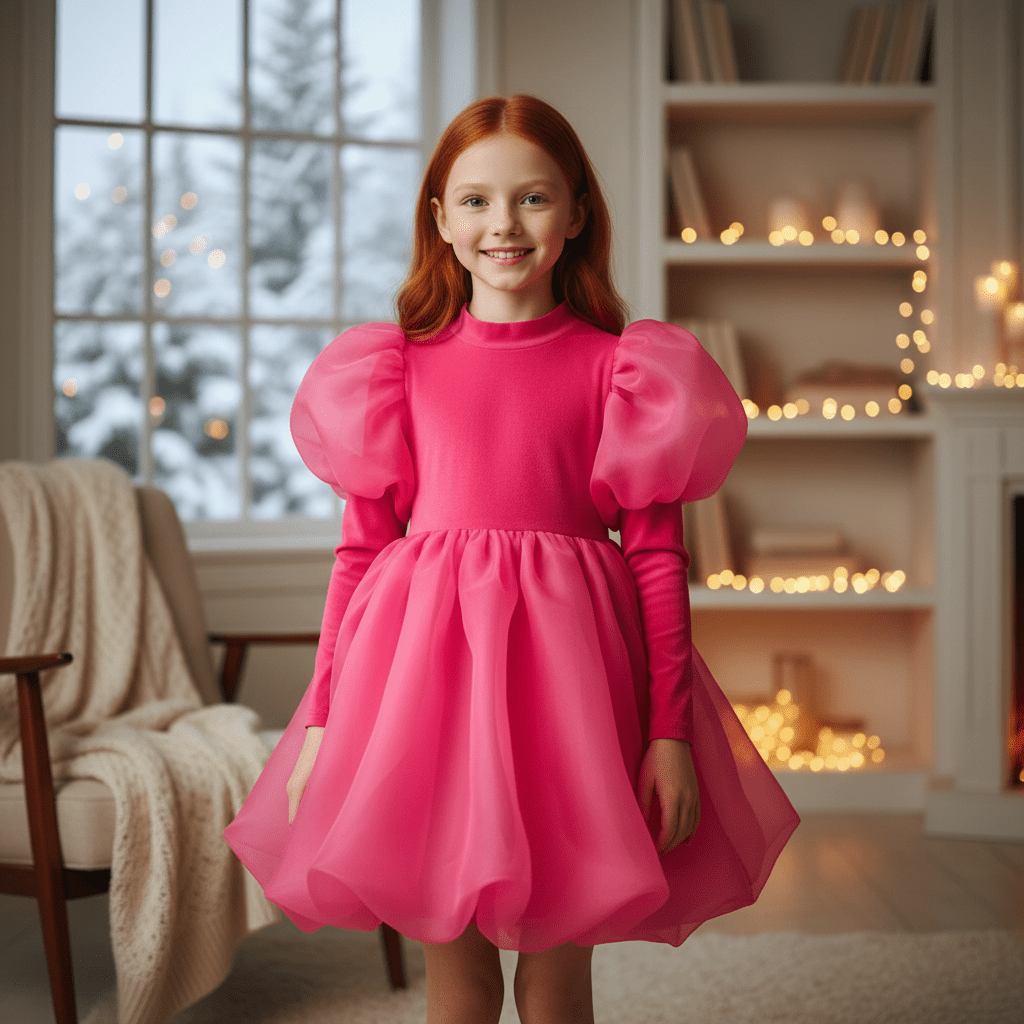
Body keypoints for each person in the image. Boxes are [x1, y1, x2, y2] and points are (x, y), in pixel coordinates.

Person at [224, 94, 800, 1024]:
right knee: (456, 982)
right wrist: (325, 717)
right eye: (477, 201)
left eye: (532, 198)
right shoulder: (392, 371)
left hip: (572, 701)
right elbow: (360, 556)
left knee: (558, 981)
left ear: (576, 212)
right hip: (423, 696)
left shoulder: (626, 373)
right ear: (441, 220)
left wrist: (670, 733)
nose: (504, 224)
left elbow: (656, 562)